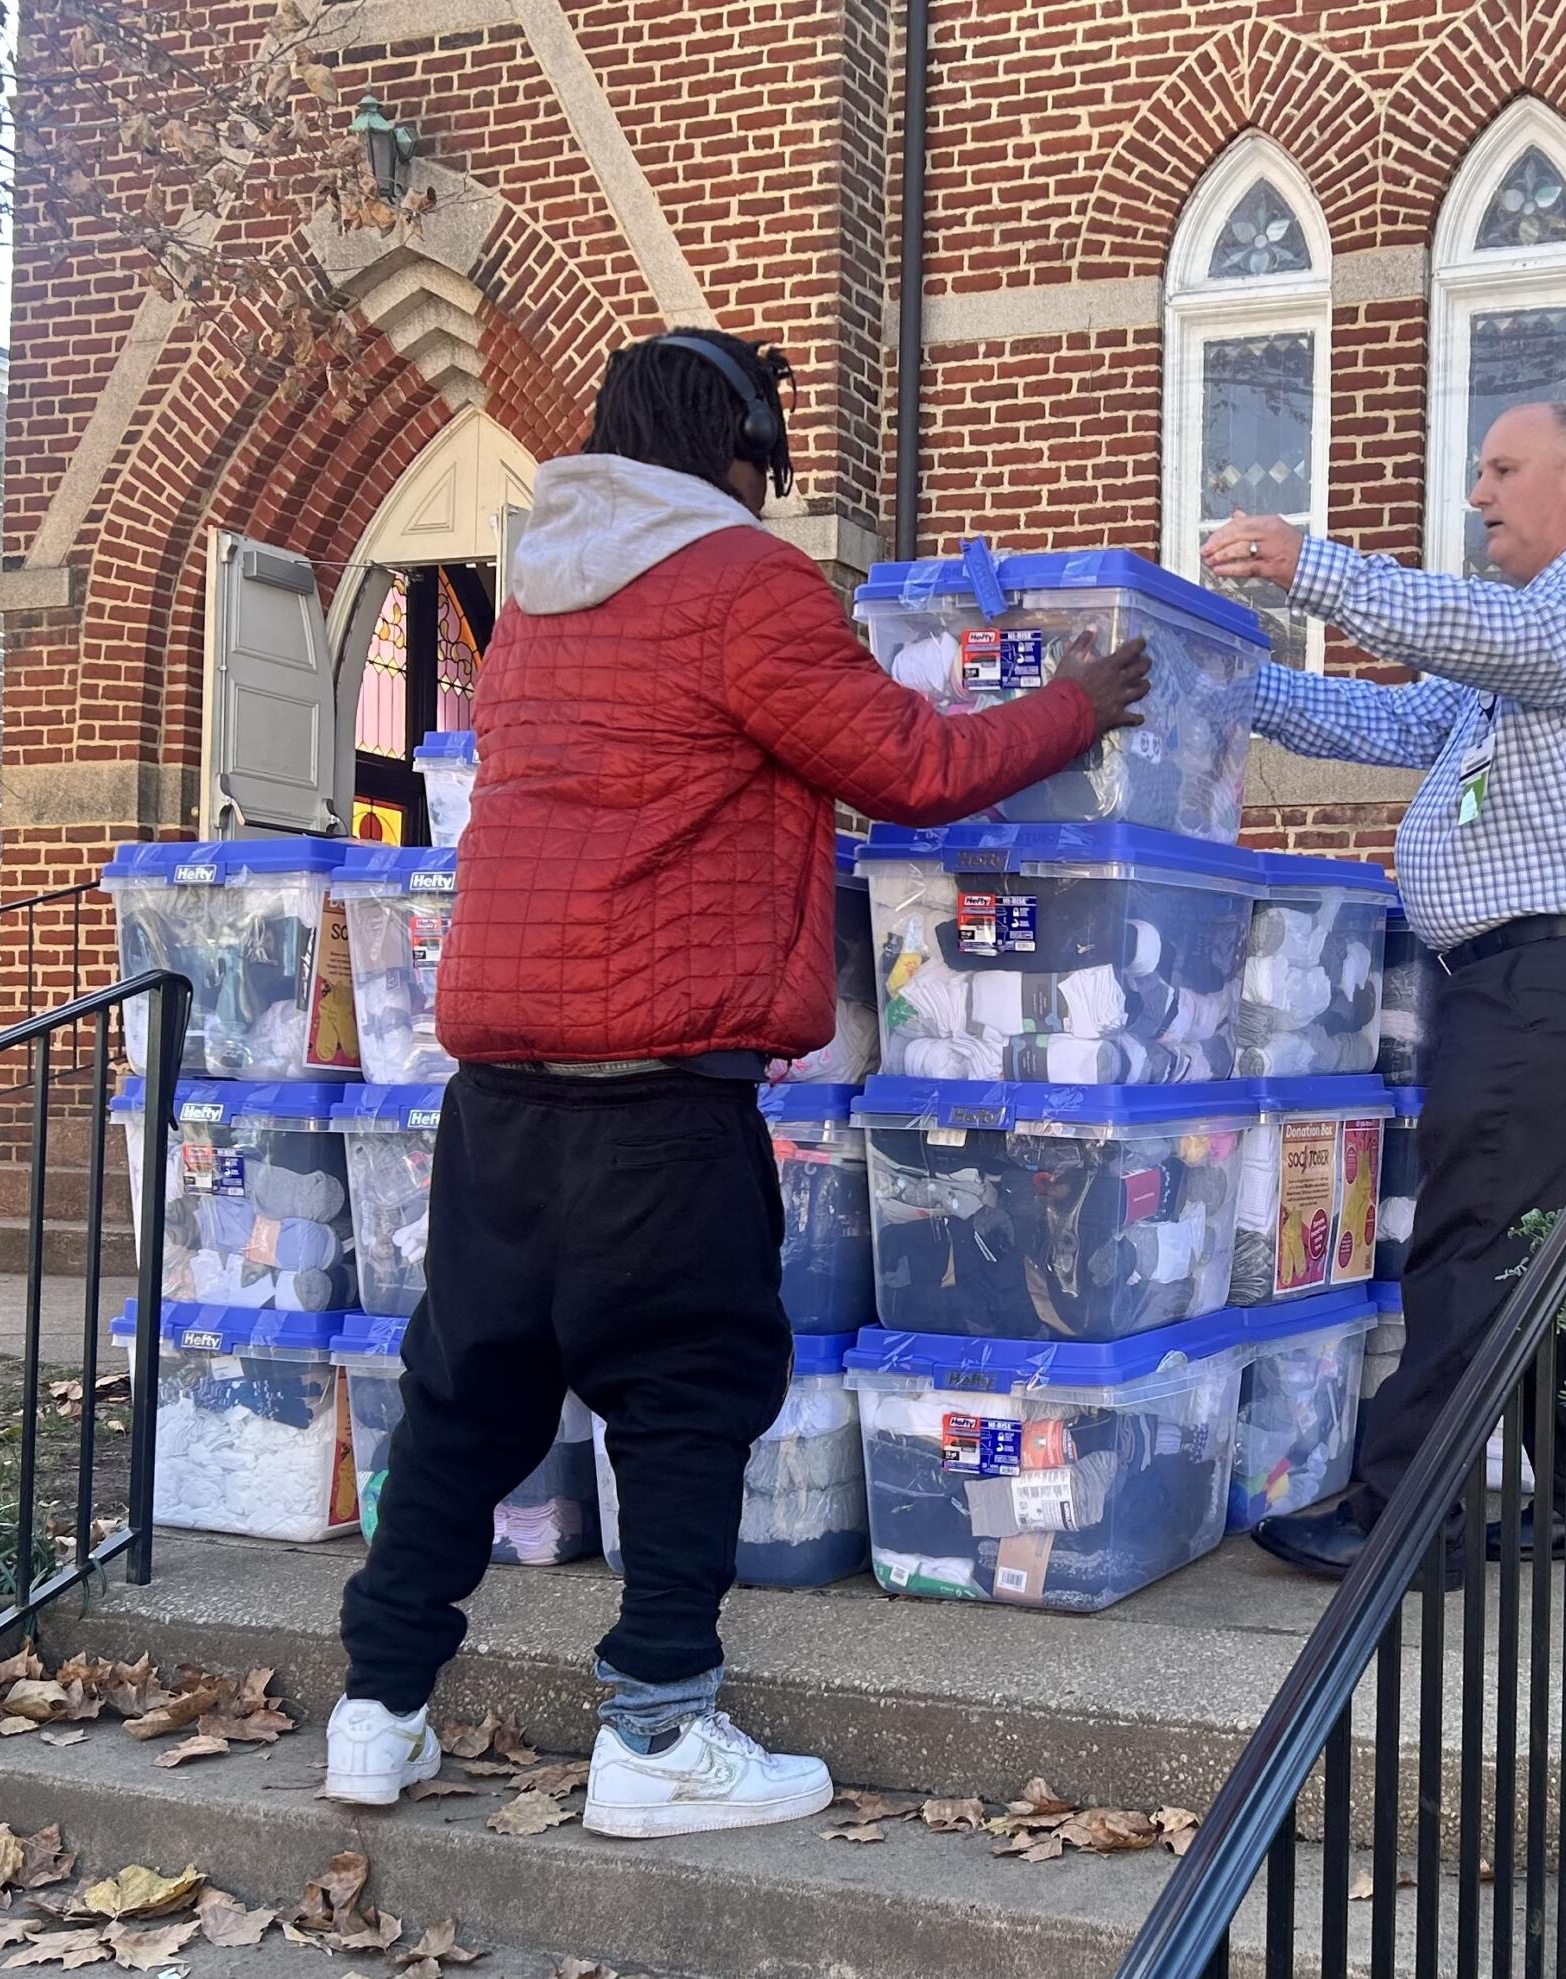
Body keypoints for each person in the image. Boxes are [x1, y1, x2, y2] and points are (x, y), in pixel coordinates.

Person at [324, 328, 1152, 1831]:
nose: (774, 497)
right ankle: (655, 1731)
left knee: (467, 1394)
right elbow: (907, 762)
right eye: (769, 464)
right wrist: (1079, 706)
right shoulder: (741, 583)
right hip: (660, 1086)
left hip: (498, 1088)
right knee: (691, 1390)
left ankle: (376, 1709)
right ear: (737, 447)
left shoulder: (537, 604)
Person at [1202, 401, 1566, 1584]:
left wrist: (1304, 562)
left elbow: (1490, 639)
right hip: (1534, 983)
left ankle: (1401, 1515)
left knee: (1470, 1244)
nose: (1477, 493)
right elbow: (1388, 715)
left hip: (1561, 976)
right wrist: (1234, 681)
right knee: (1524, 1250)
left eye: (1502, 468)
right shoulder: (1519, 659)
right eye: (1477, 469)